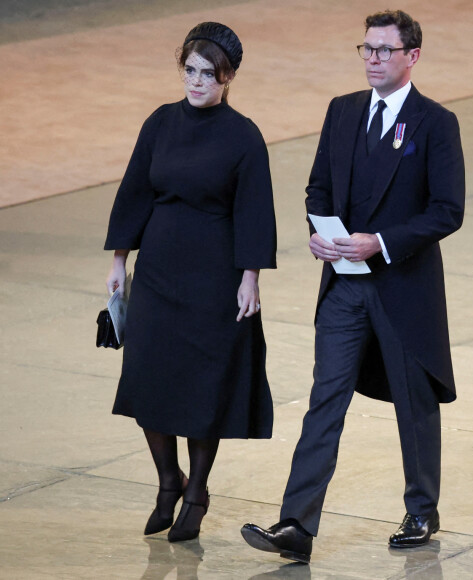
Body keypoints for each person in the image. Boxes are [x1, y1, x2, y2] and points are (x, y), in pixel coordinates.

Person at [241, 9, 465, 561]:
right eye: (366, 49)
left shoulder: (436, 122)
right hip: (343, 284)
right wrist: (319, 233)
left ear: (412, 56)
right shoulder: (341, 112)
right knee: (325, 400)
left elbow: (447, 210)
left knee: (414, 405)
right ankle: (297, 524)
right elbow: (318, 188)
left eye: (384, 50)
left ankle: (421, 510)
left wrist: (380, 242)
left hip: (404, 289)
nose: (373, 59)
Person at [104, 22, 277, 542]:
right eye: (190, 71)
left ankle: (196, 492)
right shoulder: (159, 123)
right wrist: (119, 262)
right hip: (157, 270)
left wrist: (250, 278)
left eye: (208, 74)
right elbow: (134, 190)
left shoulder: (244, 136)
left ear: (227, 78)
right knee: (145, 377)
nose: (196, 82)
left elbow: (254, 212)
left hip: (215, 277)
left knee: (205, 389)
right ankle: (167, 481)